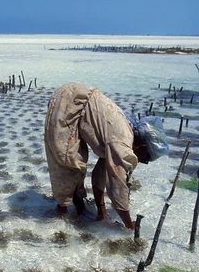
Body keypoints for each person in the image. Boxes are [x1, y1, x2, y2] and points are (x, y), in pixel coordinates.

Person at [44, 82, 169, 229]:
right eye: (144, 158)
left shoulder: (124, 135)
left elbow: (99, 176)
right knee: (67, 162)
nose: (140, 161)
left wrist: (101, 210)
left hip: (75, 98)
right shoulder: (122, 141)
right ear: (142, 147)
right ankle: (60, 218)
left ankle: (77, 211)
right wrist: (129, 224)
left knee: (74, 162)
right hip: (68, 101)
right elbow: (118, 185)